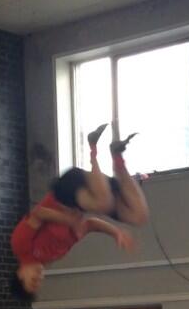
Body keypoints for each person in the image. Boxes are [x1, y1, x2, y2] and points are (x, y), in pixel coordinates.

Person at [10, 124, 148, 297]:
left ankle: (93, 149)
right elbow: (88, 225)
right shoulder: (54, 256)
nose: (39, 278)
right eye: (39, 282)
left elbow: (39, 213)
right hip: (86, 198)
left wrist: (68, 220)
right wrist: (116, 233)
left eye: (32, 280)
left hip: (64, 191)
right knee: (139, 215)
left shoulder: (20, 246)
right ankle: (117, 157)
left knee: (103, 203)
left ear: (20, 274)